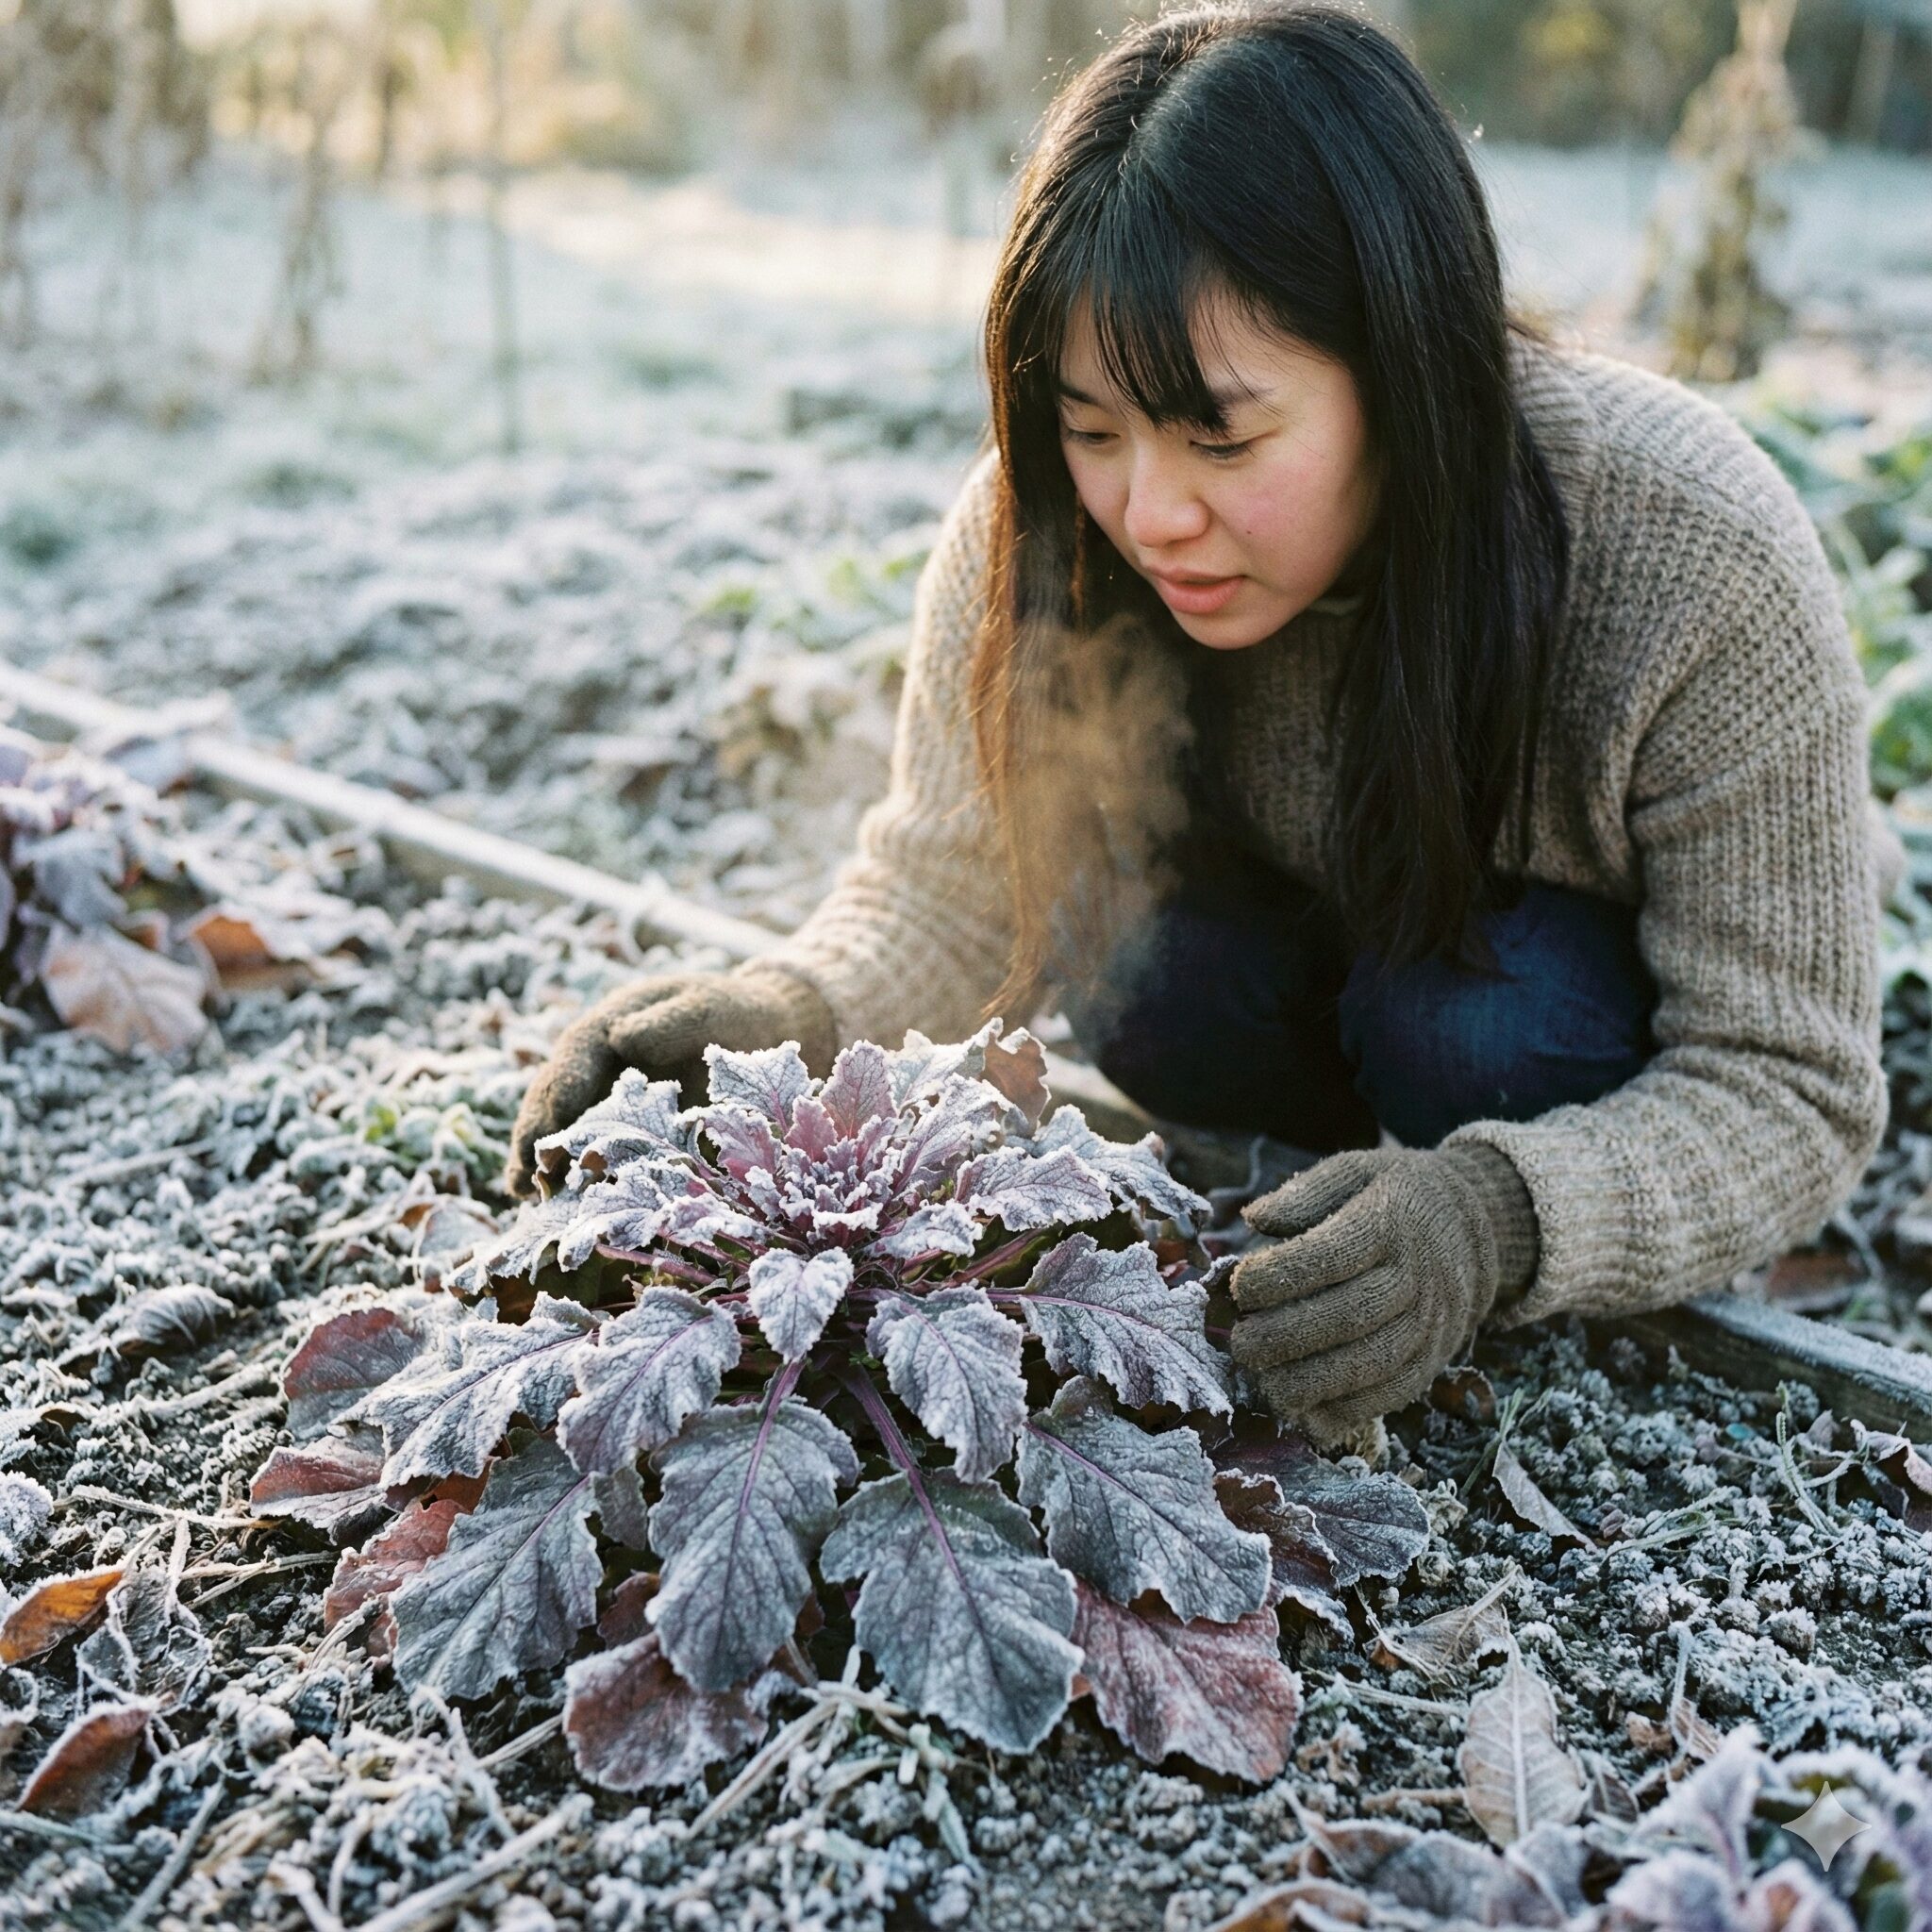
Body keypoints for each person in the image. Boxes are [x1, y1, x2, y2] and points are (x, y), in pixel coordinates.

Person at [506, 0, 1893, 1445]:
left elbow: (1790, 1085)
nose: (1150, 512)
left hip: (1531, 1045)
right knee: (1137, 956)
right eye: (1093, 428)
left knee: (1483, 1023)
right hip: (1275, 990)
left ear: (1404, 371)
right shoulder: (1045, 529)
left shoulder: (1685, 550)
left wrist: (1491, 1218)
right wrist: (780, 1019)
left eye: (1222, 436)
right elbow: (947, 889)